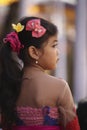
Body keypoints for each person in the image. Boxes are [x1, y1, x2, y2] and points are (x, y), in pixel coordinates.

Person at [0, 16, 80, 130]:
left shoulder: (8, 86)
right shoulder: (59, 87)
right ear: (34, 52)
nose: (58, 51)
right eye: (54, 45)